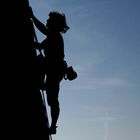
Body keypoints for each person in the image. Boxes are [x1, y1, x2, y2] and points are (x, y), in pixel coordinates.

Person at [30, 8, 69, 135]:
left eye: (49, 20)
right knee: (52, 99)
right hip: (52, 69)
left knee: (52, 100)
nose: (47, 20)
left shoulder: (55, 36)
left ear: (55, 24)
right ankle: (42, 85)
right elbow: (40, 46)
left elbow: (43, 30)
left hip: (55, 71)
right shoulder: (52, 36)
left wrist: (33, 17)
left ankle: (53, 126)